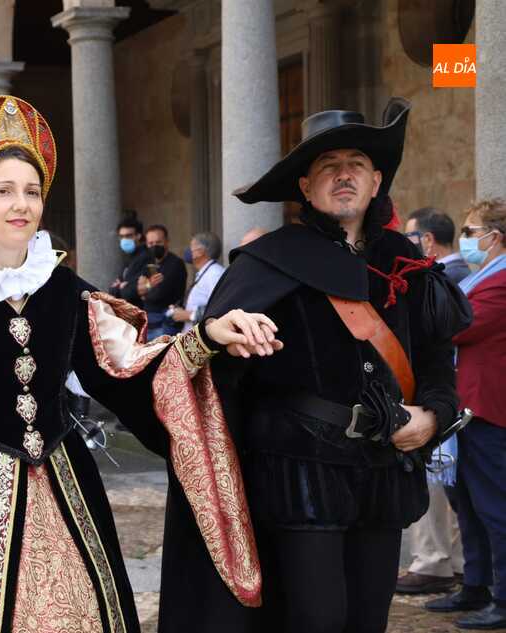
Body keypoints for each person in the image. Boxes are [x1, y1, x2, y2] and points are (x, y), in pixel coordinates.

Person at [0, 95, 282, 633]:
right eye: (4, 191)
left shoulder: (64, 288)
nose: (20, 204)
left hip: (62, 485)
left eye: (31, 191)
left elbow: (127, 369)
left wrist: (207, 336)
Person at [159, 99, 466, 633]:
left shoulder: (409, 264)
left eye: (355, 164)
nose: (343, 174)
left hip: (382, 471)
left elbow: (439, 361)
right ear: (305, 187)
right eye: (327, 165)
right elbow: (215, 377)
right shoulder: (266, 262)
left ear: (376, 181)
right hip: (296, 470)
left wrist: (434, 417)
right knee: (315, 620)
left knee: (367, 619)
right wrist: (226, 345)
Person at [425, 198, 506, 629]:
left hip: (489, 409)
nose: (467, 240)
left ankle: (503, 597)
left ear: (496, 238)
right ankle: (474, 585)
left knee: (495, 506)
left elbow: (459, 325)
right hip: (467, 407)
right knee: (469, 506)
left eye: (473, 232)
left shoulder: (501, 281)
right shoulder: (481, 277)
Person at [396, 206, 468, 595]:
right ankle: (451, 561)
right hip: (450, 393)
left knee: (437, 484)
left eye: (410, 236)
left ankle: (434, 561)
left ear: (426, 239)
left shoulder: (444, 277)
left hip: (439, 394)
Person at [136, 224, 187, 339]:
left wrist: (145, 289)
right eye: (150, 243)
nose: (154, 246)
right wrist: (145, 289)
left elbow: (156, 295)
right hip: (149, 324)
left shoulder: (175, 264)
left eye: (158, 242)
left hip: (166, 325)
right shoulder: (148, 263)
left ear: (167, 242)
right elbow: (136, 290)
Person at [170, 232, 225, 332]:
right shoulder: (206, 272)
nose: (188, 250)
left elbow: (220, 307)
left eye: (191, 246)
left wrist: (189, 315)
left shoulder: (215, 274)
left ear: (200, 251)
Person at [405, 207, 471, 284]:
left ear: (428, 240)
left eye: (410, 237)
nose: (407, 243)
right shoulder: (459, 270)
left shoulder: (441, 278)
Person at [109, 217, 146, 306]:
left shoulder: (145, 257)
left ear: (138, 236)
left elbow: (130, 292)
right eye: (121, 237)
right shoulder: (129, 258)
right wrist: (121, 287)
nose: (124, 240)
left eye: (128, 236)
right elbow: (112, 289)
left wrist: (121, 287)